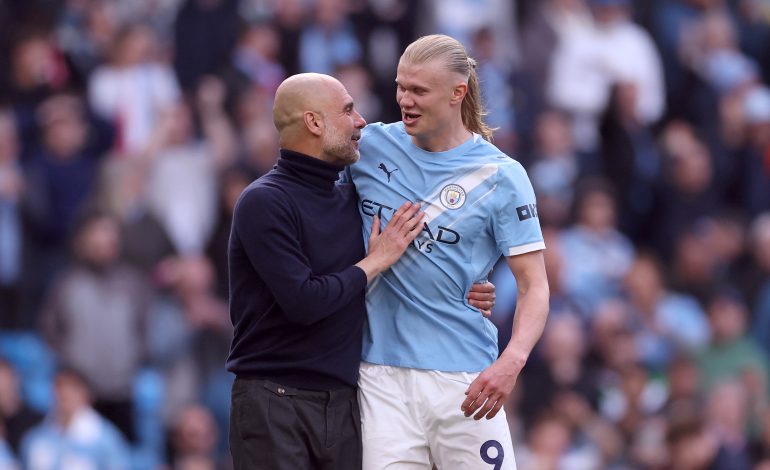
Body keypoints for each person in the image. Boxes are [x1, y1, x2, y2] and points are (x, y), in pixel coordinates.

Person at [226, 73, 497, 470]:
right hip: (274, 402)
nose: (362, 122)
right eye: (348, 110)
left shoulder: (349, 194)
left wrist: (466, 287)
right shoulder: (264, 202)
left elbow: (404, 266)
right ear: (315, 123)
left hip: (345, 401)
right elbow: (304, 302)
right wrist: (375, 260)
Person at [344, 34, 550, 469]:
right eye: (401, 87)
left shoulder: (501, 175)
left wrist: (512, 359)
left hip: (465, 379)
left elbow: (534, 285)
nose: (405, 99)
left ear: (458, 93)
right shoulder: (368, 148)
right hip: (380, 377)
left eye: (419, 90)